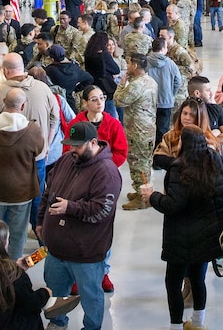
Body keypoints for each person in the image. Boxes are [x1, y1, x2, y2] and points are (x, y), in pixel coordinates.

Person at [142, 126, 223, 330]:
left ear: (183, 143)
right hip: (207, 236)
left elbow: (172, 204)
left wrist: (152, 197)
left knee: (173, 283)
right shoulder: (215, 161)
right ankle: (198, 323)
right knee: (198, 279)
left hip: (181, 237)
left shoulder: (180, 167)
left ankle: (176, 326)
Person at [38, 120, 123, 330]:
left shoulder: (107, 172)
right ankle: (57, 323)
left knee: (91, 298)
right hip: (56, 249)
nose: (72, 149)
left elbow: (102, 211)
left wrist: (71, 208)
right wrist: (40, 221)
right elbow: (48, 193)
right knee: (56, 292)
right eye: (70, 144)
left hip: (86, 254)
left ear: (93, 143)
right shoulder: (65, 160)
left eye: (77, 145)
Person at [0, 88, 48, 261]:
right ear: (23, 106)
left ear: (4, 101)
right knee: (18, 233)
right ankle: (13, 269)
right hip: (22, 190)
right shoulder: (32, 129)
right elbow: (39, 150)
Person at [117, 54, 159, 210]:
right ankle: (141, 191)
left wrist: (121, 84)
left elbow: (118, 100)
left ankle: (143, 198)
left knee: (139, 163)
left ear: (134, 66)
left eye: (128, 62)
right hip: (146, 128)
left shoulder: (136, 85)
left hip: (138, 131)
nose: (127, 65)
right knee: (144, 162)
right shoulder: (150, 81)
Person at [146, 37, 184, 145]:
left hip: (149, 102)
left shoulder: (145, 62)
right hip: (166, 101)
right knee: (163, 129)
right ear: (163, 48)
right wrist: (172, 94)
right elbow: (178, 81)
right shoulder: (171, 64)